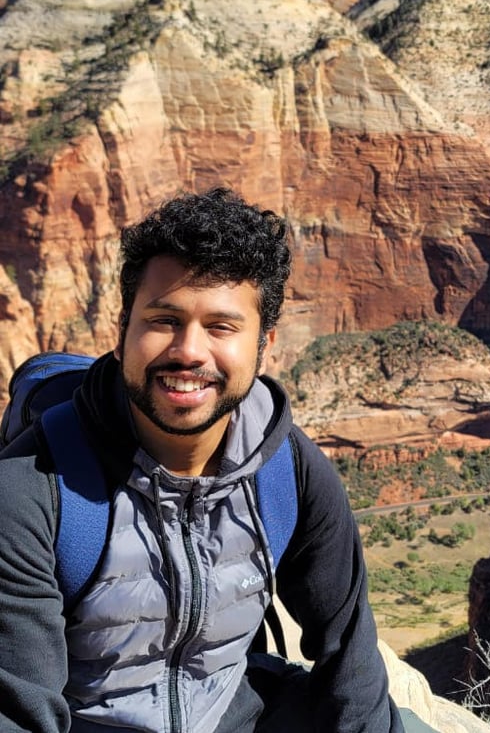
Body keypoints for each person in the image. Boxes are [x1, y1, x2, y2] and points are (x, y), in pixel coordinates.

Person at [0, 188, 426, 732]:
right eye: (164, 320)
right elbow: (19, 711)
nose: (189, 351)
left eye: (221, 327)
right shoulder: (32, 489)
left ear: (264, 346)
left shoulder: (286, 468)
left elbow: (349, 656)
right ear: (122, 332)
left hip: (233, 711)